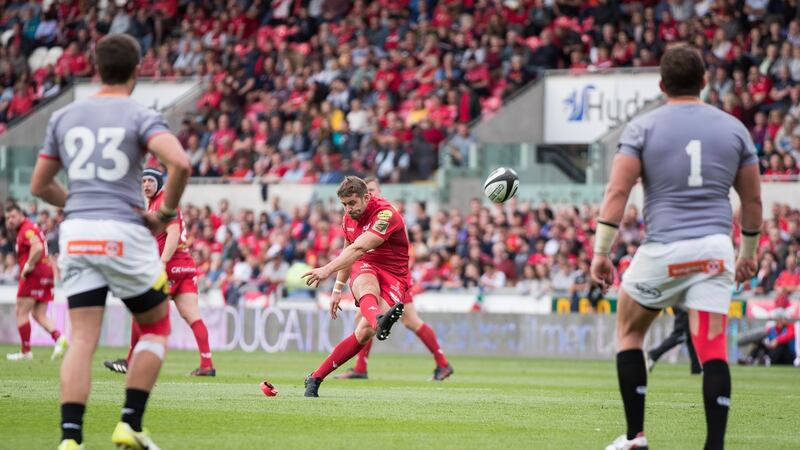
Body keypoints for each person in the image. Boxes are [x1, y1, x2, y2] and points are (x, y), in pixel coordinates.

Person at [590, 45, 762, 450]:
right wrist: (748, 255)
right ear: (704, 81)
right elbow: (752, 203)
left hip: (664, 249)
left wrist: (601, 252)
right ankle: (714, 445)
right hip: (716, 250)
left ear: (662, 84)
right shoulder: (734, 128)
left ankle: (636, 437)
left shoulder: (642, 128)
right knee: (712, 348)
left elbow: (618, 191)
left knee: (630, 332)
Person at [31, 34, 191, 450]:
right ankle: (129, 424)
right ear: (138, 70)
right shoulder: (140, 114)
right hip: (122, 229)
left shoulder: (63, 117)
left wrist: (80, 205)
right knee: (155, 325)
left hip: (77, 234)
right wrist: (166, 215)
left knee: (82, 338)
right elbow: (179, 163)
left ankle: (70, 439)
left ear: (95, 67)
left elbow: (40, 184)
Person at [336, 177, 453, 381]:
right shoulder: (364, 217)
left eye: (372, 190)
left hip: (394, 277)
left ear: (375, 192)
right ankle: (361, 367)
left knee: (410, 321)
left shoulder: (388, 214)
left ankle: (442, 364)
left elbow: (400, 250)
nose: (370, 194)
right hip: (379, 273)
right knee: (366, 318)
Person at [301, 176, 407, 397]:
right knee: (366, 280)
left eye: (352, 203)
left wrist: (326, 270)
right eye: (344, 205)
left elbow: (359, 247)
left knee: (365, 332)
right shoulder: (348, 218)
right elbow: (349, 250)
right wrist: (337, 289)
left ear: (367, 197)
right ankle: (378, 318)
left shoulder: (386, 214)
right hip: (367, 264)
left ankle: (316, 376)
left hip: (394, 274)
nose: (348, 209)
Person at [103, 168, 216, 376]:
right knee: (193, 316)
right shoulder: (155, 204)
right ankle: (207, 364)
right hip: (186, 266)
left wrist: (162, 263)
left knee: (143, 311)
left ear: (159, 183)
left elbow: (172, 233)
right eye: (143, 180)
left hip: (171, 267)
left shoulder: (164, 202)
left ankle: (130, 362)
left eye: (150, 181)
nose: (146, 184)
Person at [4, 203, 67, 361]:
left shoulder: (26, 229)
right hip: (45, 273)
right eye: (7, 218)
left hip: (34, 274)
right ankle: (60, 338)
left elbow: (37, 248)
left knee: (21, 311)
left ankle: (26, 352)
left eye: (13, 216)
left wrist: (28, 265)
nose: (10, 220)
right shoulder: (28, 228)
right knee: (38, 314)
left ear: (21, 215)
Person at [645, 307, 702, 374]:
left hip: (686, 307)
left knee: (691, 338)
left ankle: (696, 369)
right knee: (679, 335)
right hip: (684, 307)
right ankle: (653, 355)